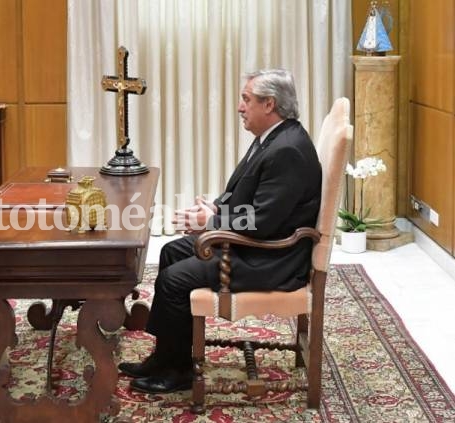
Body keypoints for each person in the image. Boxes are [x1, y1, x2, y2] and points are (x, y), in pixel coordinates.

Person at [119, 69, 322, 394]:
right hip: (256, 244)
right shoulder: (273, 138)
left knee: (174, 280)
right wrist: (215, 209)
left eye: (246, 99)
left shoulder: (287, 150)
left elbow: (264, 222)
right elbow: (252, 198)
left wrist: (210, 224)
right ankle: (167, 356)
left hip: (270, 259)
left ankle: (178, 372)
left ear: (269, 104)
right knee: (171, 252)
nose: (241, 107)